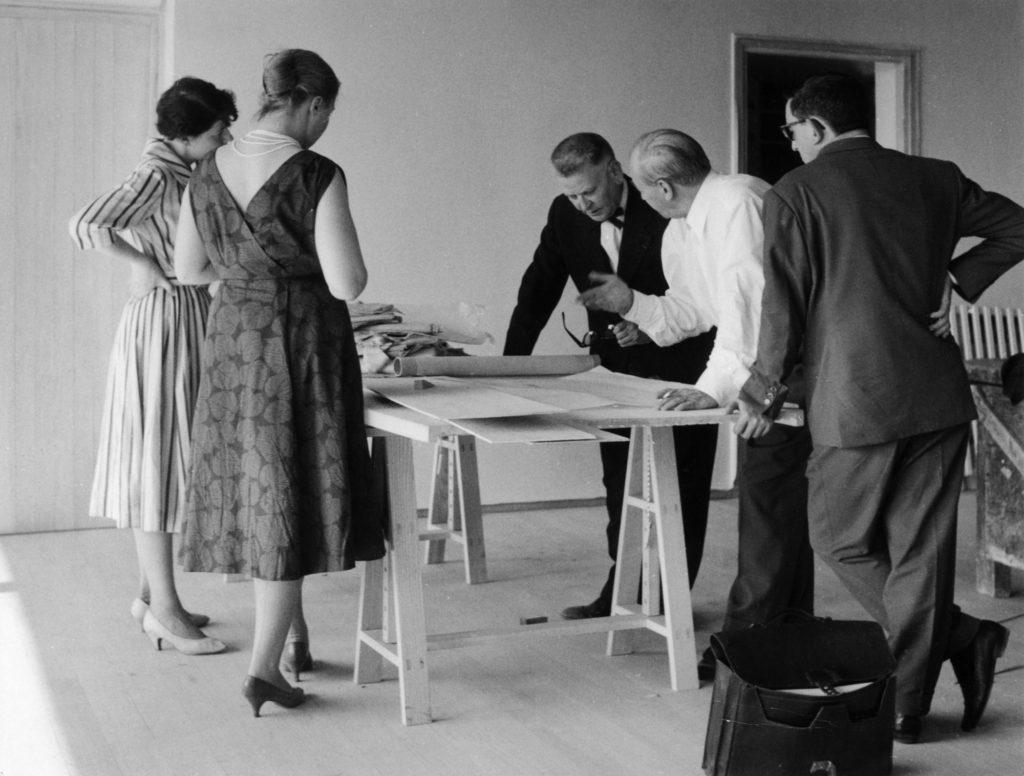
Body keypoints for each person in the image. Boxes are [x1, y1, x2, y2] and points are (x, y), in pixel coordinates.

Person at [737, 74, 1024, 743]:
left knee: (836, 536)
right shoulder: (935, 177)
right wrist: (960, 280)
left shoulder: (796, 191)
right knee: (921, 550)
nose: (794, 143)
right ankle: (910, 707)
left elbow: (783, 307)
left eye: (791, 132)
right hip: (937, 391)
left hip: (853, 398)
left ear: (813, 128)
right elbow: (1017, 227)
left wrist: (761, 394)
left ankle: (957, 638)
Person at [174, 49, 386, 717]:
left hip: (234, 343)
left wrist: (248, 273)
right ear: (313, 105)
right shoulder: (317, 172)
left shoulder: (206, 171)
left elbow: (188, 269)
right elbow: (348, 282)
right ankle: (265, 666)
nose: (325, 124)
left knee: (262, 492)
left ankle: (288, 646)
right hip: (299, 345)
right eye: (327, 113)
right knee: (292, 492)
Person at [578, 129, 815, 681]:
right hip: (761, 373)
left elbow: (751, 315)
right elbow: (692, 312)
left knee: (767, 510)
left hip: (786, 375)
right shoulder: (683, 225)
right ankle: (790, 634)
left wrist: (711, 391)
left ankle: (743, 650)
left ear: (661, 186)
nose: (638, 195)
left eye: (639, 185)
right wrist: (631, 303)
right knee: (776, 509)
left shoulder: (738, 203)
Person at [504, 133, 718, 619]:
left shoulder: (665, 205)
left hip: (681, 369)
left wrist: (651, 328)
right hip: (612, 373)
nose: (582, 205)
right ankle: (620, 591)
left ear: (616, 172)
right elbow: (537, 289)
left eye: (590, 193)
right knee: (620, 482)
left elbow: (703, 296)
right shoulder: (566, 214)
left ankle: (671, 601)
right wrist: (511, 364)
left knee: (681, 486)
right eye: (573, 196)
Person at [69, 77, 237, 656]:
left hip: (181, 316)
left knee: (165, 455)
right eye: (219, 130)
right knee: (158, 461)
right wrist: (142, 261)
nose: (227, 138)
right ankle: (163, 610)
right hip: (163, 322)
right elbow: (85, 223)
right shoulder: (158, 173)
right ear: (188, 135)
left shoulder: (181, 171)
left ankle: (152, 596)